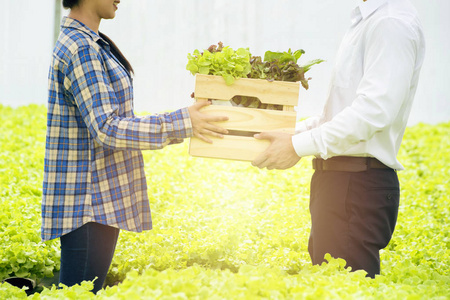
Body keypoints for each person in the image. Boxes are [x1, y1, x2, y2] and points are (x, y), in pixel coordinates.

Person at [42, 0, 228, 293]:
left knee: (83, 291)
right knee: (79, 293)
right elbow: (106, 127)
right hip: (88, 203)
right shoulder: (82, 49)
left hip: (97, 200)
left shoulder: (91, 42)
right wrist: (181, 122)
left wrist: (191, 114)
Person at [252, 0, 425, 278]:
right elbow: (339, 114)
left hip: (355, 185)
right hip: (340, 182)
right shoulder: (368, 20)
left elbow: (374, 112)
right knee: (330, 282)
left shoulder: (390, 23)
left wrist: (298, 146)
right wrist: (292, 135)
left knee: (344, 287)